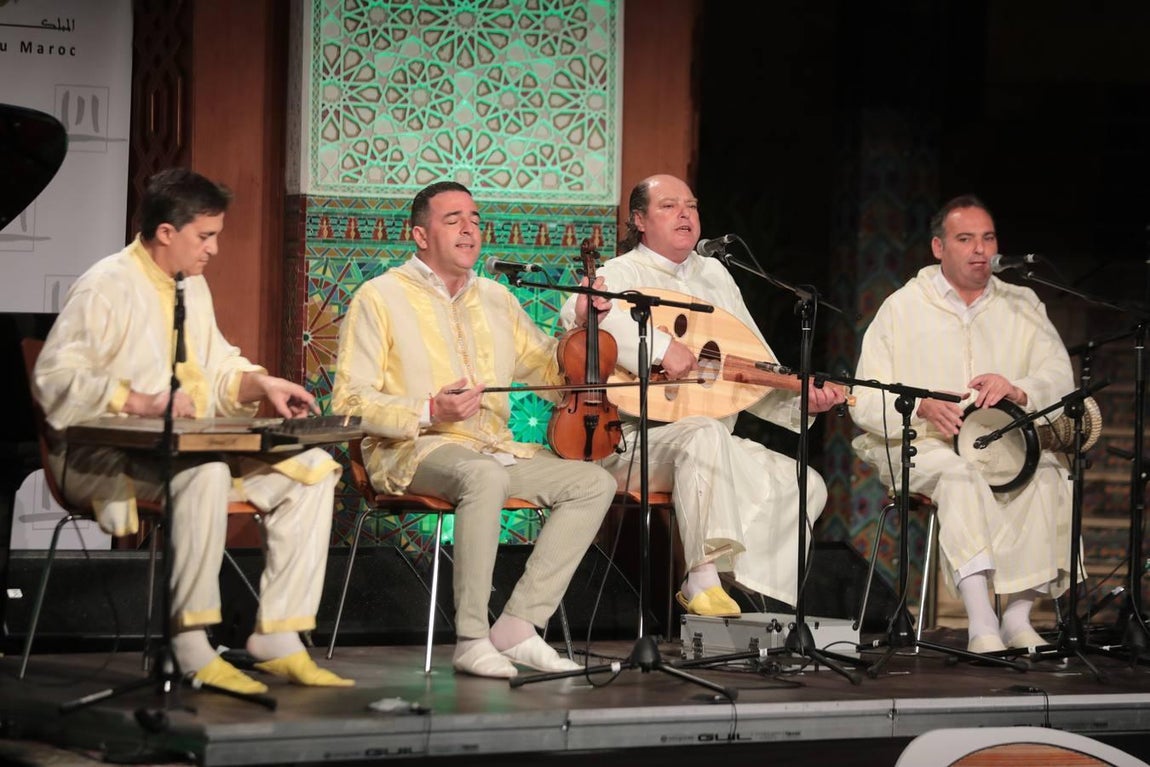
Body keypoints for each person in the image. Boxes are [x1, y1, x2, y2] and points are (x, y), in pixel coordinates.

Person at [33, 168, 353, 694]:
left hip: (188, 450)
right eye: (205, 236)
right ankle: (189, 642)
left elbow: (217, 369)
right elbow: (55, 378)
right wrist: (142, 401)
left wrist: (262, 384)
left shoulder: (192, 287)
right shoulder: (106, 285)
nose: (214, 249)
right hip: (105, 458)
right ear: (166, 232)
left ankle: (281, 634)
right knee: (202, 473)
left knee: (313, 470)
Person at [331, 180, 616, 679]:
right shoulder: (379, 297)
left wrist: (581, 325)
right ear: (419, 235)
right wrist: (429, 408)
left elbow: (551, 375)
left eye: (476, 220)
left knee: (594, 482)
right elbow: (349, 403)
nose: (470, 229)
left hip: (494, 450)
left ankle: (520, 625)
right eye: (453, 219)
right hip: (413, 448)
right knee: (482, 475)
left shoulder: (497, 298)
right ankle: (470, 637)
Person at [558, 173, 846, 618]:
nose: (685, 214)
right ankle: (703, 579)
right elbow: (579, 313)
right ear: (639, 220)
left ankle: (751, 593)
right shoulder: (620, 272)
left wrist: (798, 399)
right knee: (703, 434)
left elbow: (746, 368)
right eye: (669, 206)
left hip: (707, 440)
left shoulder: (715, 274)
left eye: (691, 206)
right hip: (630, 441)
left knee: (807, 484)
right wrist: (658, 347)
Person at [851, 194, 1075, 654]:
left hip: (999, 438)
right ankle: (981, 623)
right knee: (960, 476)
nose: (979, 249)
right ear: (938, 247)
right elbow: (863, 398)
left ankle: (1016, 618)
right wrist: (919, 406)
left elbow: (1058, 377)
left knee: (1049, 472)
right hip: (925, 441)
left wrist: (1017, 388)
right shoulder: (903, 306)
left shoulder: (1022, 303)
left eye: (987, 238)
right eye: (965, 238)